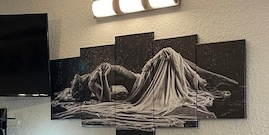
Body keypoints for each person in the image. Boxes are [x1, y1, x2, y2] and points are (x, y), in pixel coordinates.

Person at [68, 47, 236, 117]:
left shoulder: (94, 75)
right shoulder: (92, 82)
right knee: (167, 53)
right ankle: (208, 79)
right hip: (140, 87)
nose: (82, 75)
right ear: (81, 84)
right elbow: (105, 99)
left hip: (141, 78)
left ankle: (206, 78)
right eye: (79, 78)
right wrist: (104, 76)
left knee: (171, 56)